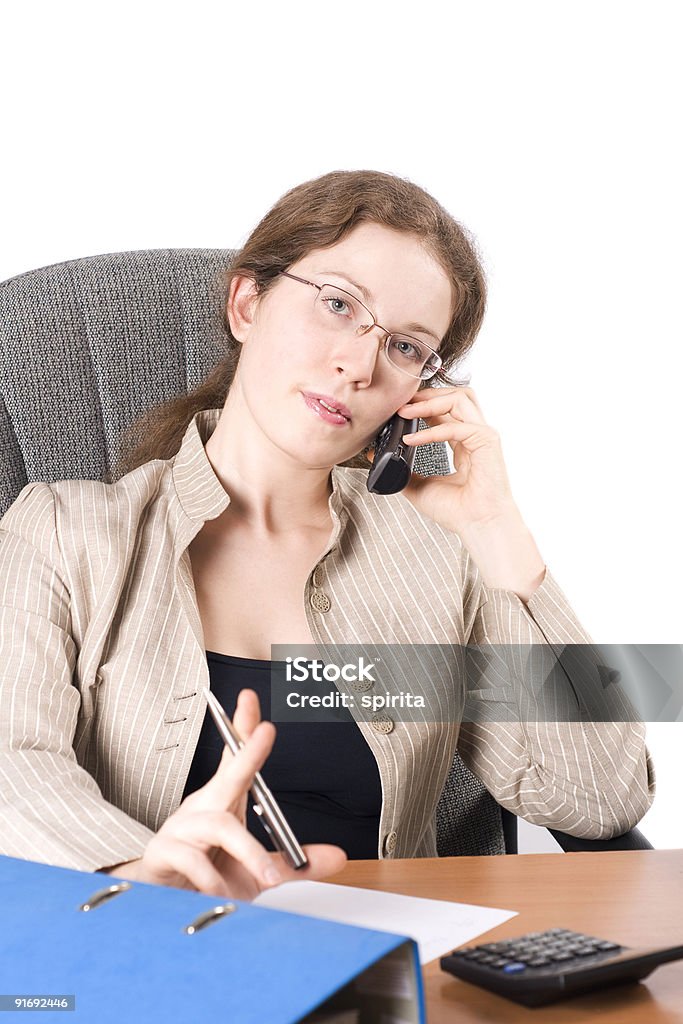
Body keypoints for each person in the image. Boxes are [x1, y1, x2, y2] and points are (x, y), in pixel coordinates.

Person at [0, 170, 655, 899]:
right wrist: (137, 876)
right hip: (152, 955)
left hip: (385, 968)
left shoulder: (433, 554)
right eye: (338, 305)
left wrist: (496, 530)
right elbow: (13, 765)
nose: (358, 364)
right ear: (247, 302)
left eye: (405, 347)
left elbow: (598, 799)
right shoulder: (64, 533)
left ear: (421, 395)